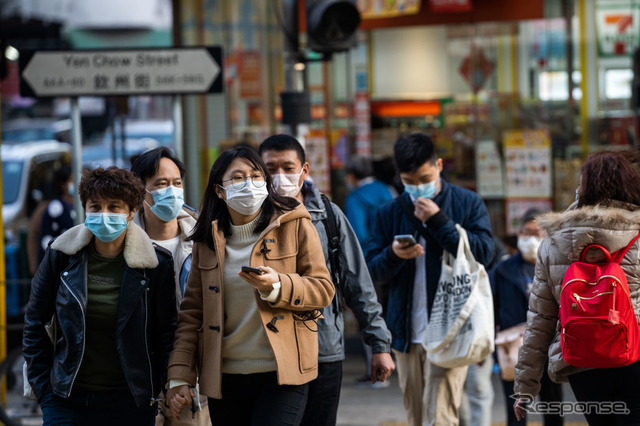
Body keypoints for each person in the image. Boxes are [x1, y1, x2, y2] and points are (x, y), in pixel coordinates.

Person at [166, 146, 334, 426]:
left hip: (282, 374)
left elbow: (322, 289)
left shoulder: (294, 224)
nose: (250, 184)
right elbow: (192, 313)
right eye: (238, 177)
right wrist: (180, 375)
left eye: (256, 176)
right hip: (224, 378)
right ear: (220, 190)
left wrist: (278, 286)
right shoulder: (206, 241)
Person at [23, 166, 178, 425]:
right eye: (95, 207)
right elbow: (35, 321)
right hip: (67, 399)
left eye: (114, 207)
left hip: (130, 402)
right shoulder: (61, 255)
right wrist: (45, 391)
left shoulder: (155, 264)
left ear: (131, 213)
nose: (103, 215)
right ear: (84, 209)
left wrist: (155, 385)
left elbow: (166, 333)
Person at [258, 135, 395, 426]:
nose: (280, 176)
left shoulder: (328, 216)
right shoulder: (248, 220)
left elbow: (358, 284)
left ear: (304, 170)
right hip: (268, 353)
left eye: (288, 167)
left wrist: (379, 345)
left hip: (323, 348)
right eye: (271, 168)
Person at [366, 133, 494, 426]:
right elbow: (373, 271)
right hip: (407, 332)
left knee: (440, 417)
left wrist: (440, 222)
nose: (417, 187)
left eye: (424, 177)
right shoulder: (388, 212)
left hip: (451, 328)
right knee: (418, 415)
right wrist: (395, 255)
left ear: (438, 165)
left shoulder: (467, 202)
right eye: (409, 182)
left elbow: (485, 253)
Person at [514, 150, 640, 424]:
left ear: (583, 188)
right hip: (635, 356)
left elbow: (540, 320)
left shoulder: (553, 242)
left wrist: (525, 385)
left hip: (583, 363)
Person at [130, 147, 210, 426]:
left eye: (177, 183)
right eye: (161, 184)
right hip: (140, 380)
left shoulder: (205, 239)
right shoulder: (123, 244)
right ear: (141, 191)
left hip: (193, 381)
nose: (172, 191)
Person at [491, 208, 562, 426]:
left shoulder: (557, 267)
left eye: (536, 233)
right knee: (517, 413)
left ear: (547, 236)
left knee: (553, 409)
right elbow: (491, 309)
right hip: (514, 351)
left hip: (549, 349)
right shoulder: (502, 270)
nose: (530, 238)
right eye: (525, 232)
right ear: (518, 234)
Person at [344, 154, 396, 388]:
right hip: (393, 258)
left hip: (367, 263)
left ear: (352, 176)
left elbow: (356, 235)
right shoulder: (387, 190)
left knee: (369, 315)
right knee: (388, 313)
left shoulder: (355, 197)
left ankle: (375, 373)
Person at [27, 165, 75, 276]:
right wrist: (35, 266)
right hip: (59, 268)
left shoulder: (81, 204)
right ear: (63, 184)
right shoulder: (53, 208)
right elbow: (40, 237)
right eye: (72, 180)